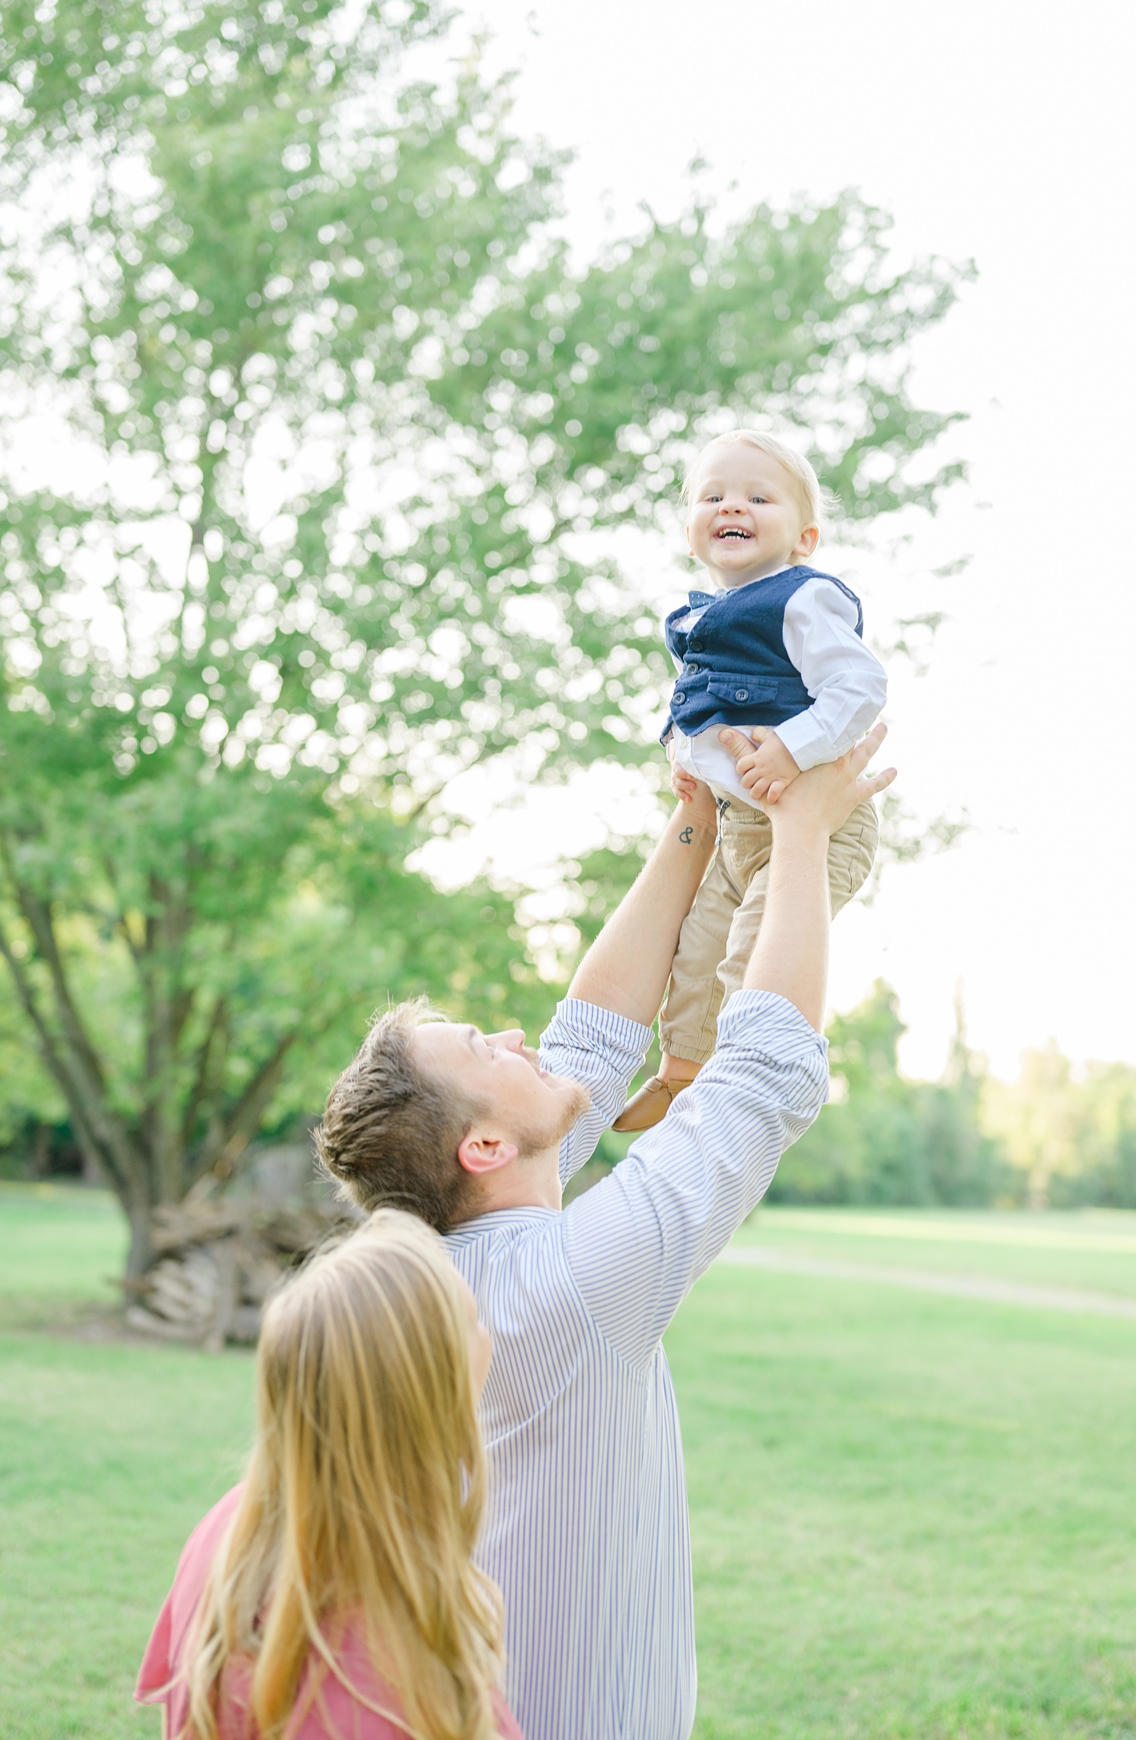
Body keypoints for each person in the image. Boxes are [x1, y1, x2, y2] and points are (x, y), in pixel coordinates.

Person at [312, 725, 893, 1740]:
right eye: (477, 1048)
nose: (509, 1034)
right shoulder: (572, 1286)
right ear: (484, 1147)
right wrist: (800, 838)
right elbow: (761, 1077)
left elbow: (590, 1041)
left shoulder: (437, 1264)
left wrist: (695, 824)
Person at [137, 1211, 522, 1740]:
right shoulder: (380, 1669)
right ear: (432, 1387)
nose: (490, 1341)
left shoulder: (233, 1525)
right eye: (474, 1322)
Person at [614, 428, 889, 1132]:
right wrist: (692, 767)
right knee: (697, 950)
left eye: (758, 497)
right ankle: (680, 1073)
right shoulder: (703, 615)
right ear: (691, 530)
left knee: (751, 952)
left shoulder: (805, 599)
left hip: (818, 824)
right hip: (740, 821)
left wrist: (794, 750)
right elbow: (711, 700)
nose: (732, 505)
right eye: (714, 496)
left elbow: (858, 686)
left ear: (805, 537)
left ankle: (736, 1092)